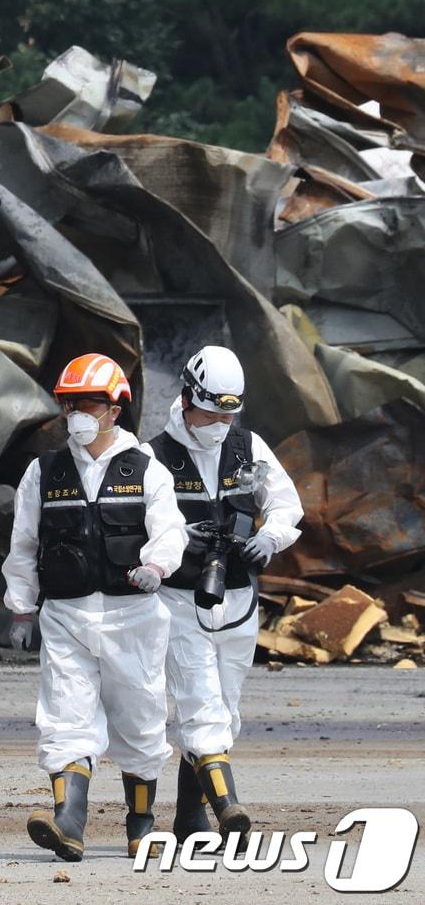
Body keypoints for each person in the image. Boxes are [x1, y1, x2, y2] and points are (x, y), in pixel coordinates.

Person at [1, 353, 187, 862]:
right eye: (70, 404)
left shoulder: (147, 469)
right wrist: (21, 608)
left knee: (141, 720)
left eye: (89, 404)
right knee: (64, 717)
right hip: (66, 616)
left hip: (134, 618)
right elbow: (23, 543)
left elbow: (170, 530)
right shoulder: (43, 472)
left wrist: (157, 565)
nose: (78, 414)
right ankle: (68, 821)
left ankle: (141, 824)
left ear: (115, 410)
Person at [147, 346, 302, 841]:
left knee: (225, 712)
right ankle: (228, 807)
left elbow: (285, 504)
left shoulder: (248, 446)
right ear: (188, 397)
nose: (219, 423)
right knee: (199, 702)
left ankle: (189, 818)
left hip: (238, 598)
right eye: (212, 412)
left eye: (228, 414)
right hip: (178, 600)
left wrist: (270, 538)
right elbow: (134, 525)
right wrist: (173, 536)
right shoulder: (152, 456)